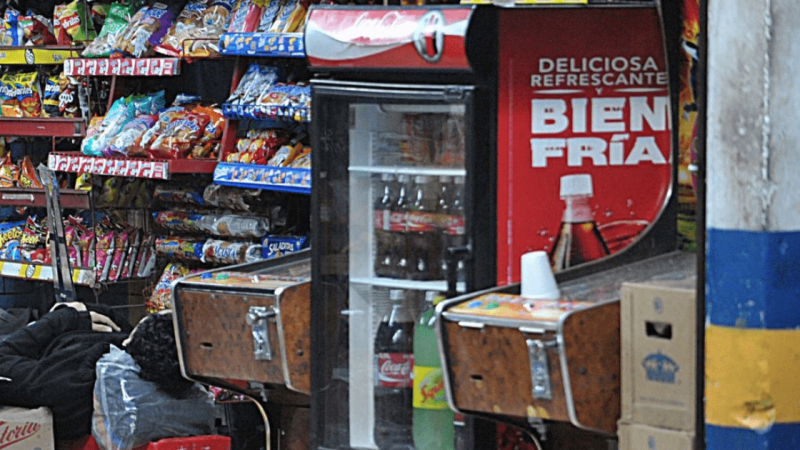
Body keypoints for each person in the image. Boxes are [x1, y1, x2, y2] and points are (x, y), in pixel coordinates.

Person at [0, 301, 211, 446]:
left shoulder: (74, 380)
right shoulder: (181, 386)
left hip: (35, 357)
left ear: (130, 339)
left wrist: (60, 319)